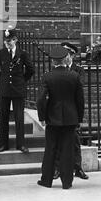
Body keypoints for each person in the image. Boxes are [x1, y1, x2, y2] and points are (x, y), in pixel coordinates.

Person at [37, 45, 85, 190]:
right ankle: (67, 182)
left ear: (53, 62)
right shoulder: (74, 76)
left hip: (52, 118)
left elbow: (41, 99)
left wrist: (42, 117)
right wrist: (79, 119)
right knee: (68, 150)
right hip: (71, 118)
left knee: (50, 149)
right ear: (65, 59)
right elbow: (80, 100)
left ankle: (46, 180)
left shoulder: (47, 76)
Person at [0, 27, 34, 153]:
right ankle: (3, 144)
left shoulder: (23, 54)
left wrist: (22, 80)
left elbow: (31, 70)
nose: (8, 43)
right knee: (3, 117)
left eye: (10, 41)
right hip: (4, 90)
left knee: (19, 118)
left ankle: (20, 144)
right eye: (6, 41)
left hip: (18, 90)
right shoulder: (1, 53)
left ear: (15, 40)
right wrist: (3, 80)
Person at [52, 42, 88, 180]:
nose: (64, 56)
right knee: (57, 141)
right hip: (58, 110)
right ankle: (57, 169)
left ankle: (77, 168)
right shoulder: (56, 68)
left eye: (66, 53)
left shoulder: (78, 70)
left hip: (72, 110)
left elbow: (80, 87)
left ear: (72, 55)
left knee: (75, 141)